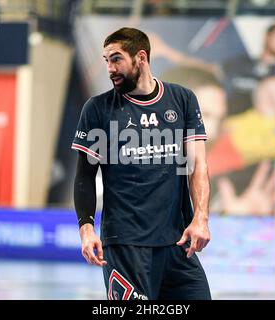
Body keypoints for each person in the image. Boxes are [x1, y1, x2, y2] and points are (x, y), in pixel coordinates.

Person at [72, 27, 212, 300]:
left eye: (116, 59)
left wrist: (201, 218)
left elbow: (197, 166)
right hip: (125, 246)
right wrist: (86, 229)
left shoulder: (182, 100)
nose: (110, 68)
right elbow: (84, 178)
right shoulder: (97, 109)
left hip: (177, 244)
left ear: (141, 58)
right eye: (106, 61)